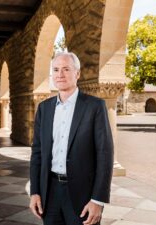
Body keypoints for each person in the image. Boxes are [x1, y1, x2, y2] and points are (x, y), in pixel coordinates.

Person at [29, 51, 114, 225]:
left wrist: (98, 200)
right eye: (56, 69)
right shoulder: (44, 109)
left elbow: (105, 154)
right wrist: (35, 191)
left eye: (66, 69)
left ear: (77, 73)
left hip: (83, 195)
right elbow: (37, 153)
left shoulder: (95, 107)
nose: (60, 74)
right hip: (49, 193)